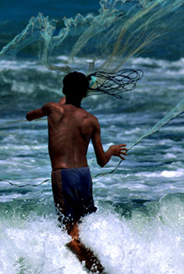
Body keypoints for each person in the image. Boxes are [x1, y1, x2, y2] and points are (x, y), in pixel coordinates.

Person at [26, 71, 128, 273]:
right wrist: (111, 151)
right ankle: (93, 265)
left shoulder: (52, 109)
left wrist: (56, 104)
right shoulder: (91, 120)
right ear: (85, 93)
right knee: (79, 225)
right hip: (84, 176)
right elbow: (101, 161)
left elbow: (29, 116)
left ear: (64, 90)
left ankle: (97, 269)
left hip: (64, 175)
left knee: (69, 235)